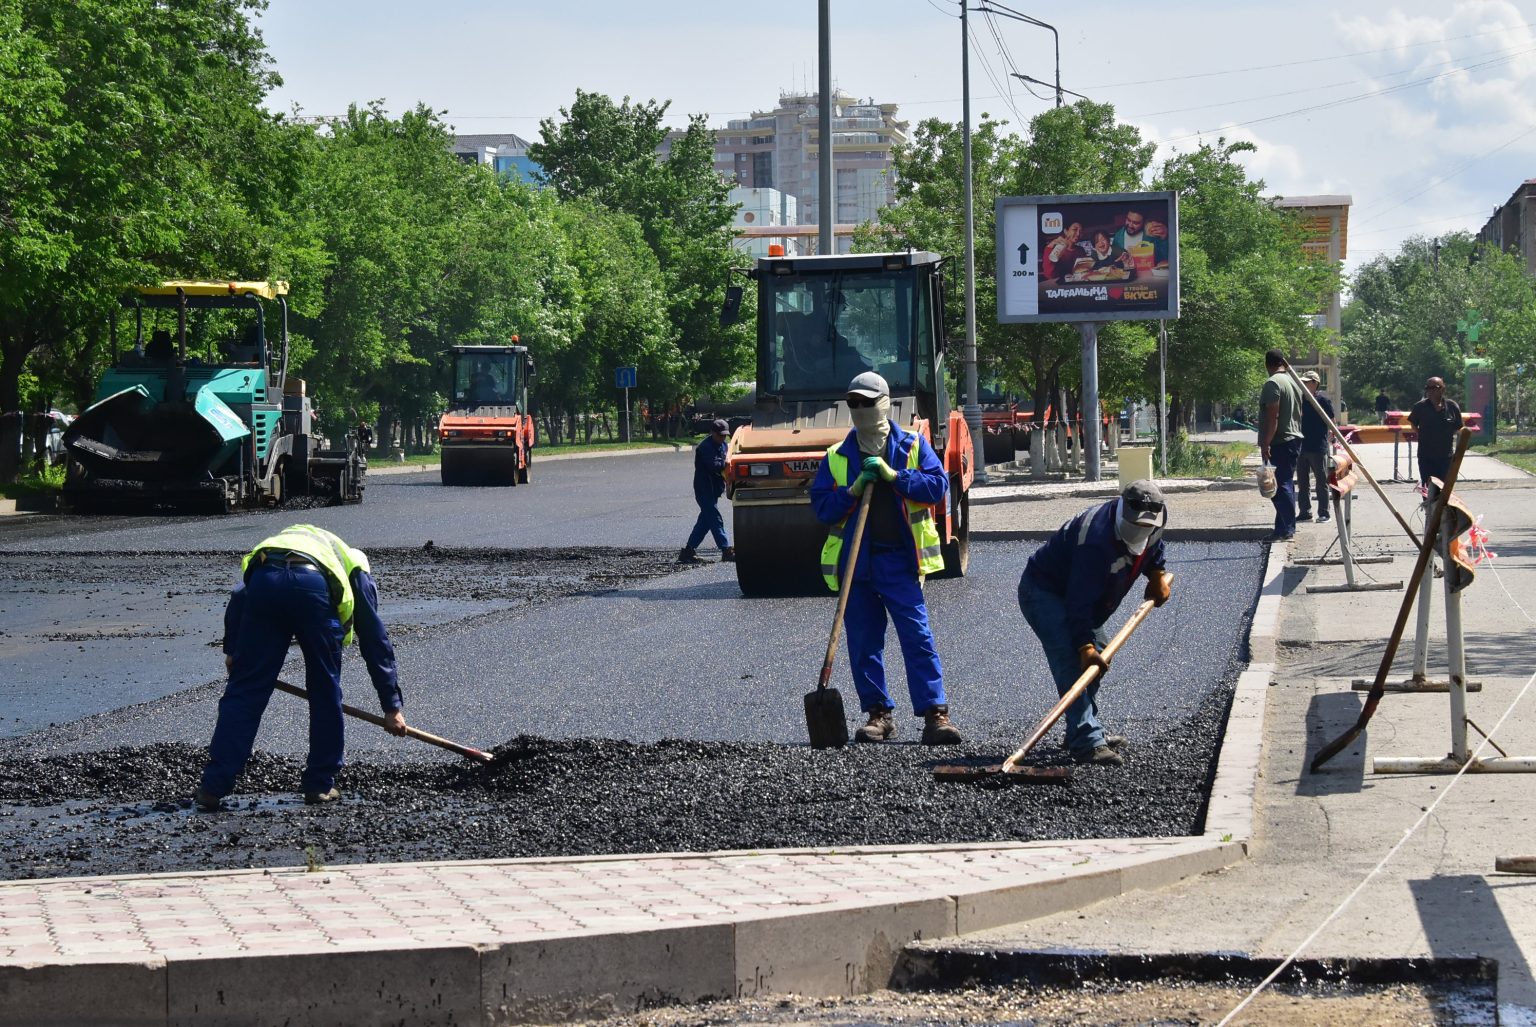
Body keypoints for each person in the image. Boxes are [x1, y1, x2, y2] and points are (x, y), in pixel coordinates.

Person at [194, 525, 406, 811]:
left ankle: (213, 787)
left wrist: (234, 652)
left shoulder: (280, 545)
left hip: (265, 584)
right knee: (324, 689)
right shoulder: (355, 565)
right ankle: (319, 784)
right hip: (312, 589)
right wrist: (391, 706)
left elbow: (240, 594)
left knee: (245, 691)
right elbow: (374, 639)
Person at [809, 372, 961, 745]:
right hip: (856, 564)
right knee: (863, 643)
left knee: (917, 636)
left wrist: (894, 477)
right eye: (854, 403)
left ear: (885, 404)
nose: (860, 409)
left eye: (867, 402)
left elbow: (937, 487)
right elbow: (823, 508)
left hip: (898, 561)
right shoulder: (837, 456)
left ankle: (935, 713)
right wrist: (852, 490)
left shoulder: (912, 445)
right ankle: (878, 714)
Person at [1017, 481, 1172, 766]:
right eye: (1135, 526)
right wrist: (1083, 646)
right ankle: (1086, 740)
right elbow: (1079, 602)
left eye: (1146, 527)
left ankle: (1081, 727)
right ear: (1123, 512)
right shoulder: (1096, 540)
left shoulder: (1156, 520)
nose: (1141, 531)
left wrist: (1156, 573)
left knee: (1101, 651)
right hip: (1044, 591)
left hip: (1081, 596)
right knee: (1073, 657)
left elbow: (1153, 546)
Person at [1258, 349, 1304, 542]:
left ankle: (1287, 528)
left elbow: (1273, 417)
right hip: (1293, 439)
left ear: (1267, 364)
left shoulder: (1273, 383)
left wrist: (1266, 443)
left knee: (1277, 486)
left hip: (1280, 441)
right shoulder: (1293, 382)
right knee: (1285, 484)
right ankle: (1281, 528)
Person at [679, 419, 734, 564]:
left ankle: (688, 552)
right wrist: (727, 463)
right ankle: (726, 550)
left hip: (714, 489)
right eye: (720, 435)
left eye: (725, 435)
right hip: (704, 489)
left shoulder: (723, 445)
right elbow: (714, 465)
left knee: (705, 521)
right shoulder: (705, 447)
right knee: (715, 518)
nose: (722, 438)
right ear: (712, 433)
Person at [1408, 376, 1463, 489]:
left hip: (1446, 456)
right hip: (1426, 455)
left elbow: (1459, 428)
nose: (1430, 391)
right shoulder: (1420, 406)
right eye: (1428, 388)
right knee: (1429, 488)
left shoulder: (1452, 406)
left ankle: (1442, 502)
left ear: (1442, 389)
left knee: (1445, 488)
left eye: (1434, 387)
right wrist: (1420, 433)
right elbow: (1413, 423)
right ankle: (1429, 501)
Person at [1296, 371, 1335, 523]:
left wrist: (1331, 434)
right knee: (1302, 482)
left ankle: (1324, 513)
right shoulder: (1299, 400)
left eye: (1307, 382)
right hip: (1301, 446)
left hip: (1318, 447)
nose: (1304, 384)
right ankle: (1305, 512)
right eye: (1303, 382)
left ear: (1315, 383)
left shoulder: (1322, 401)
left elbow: (1332, 421)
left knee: (1321, 482)